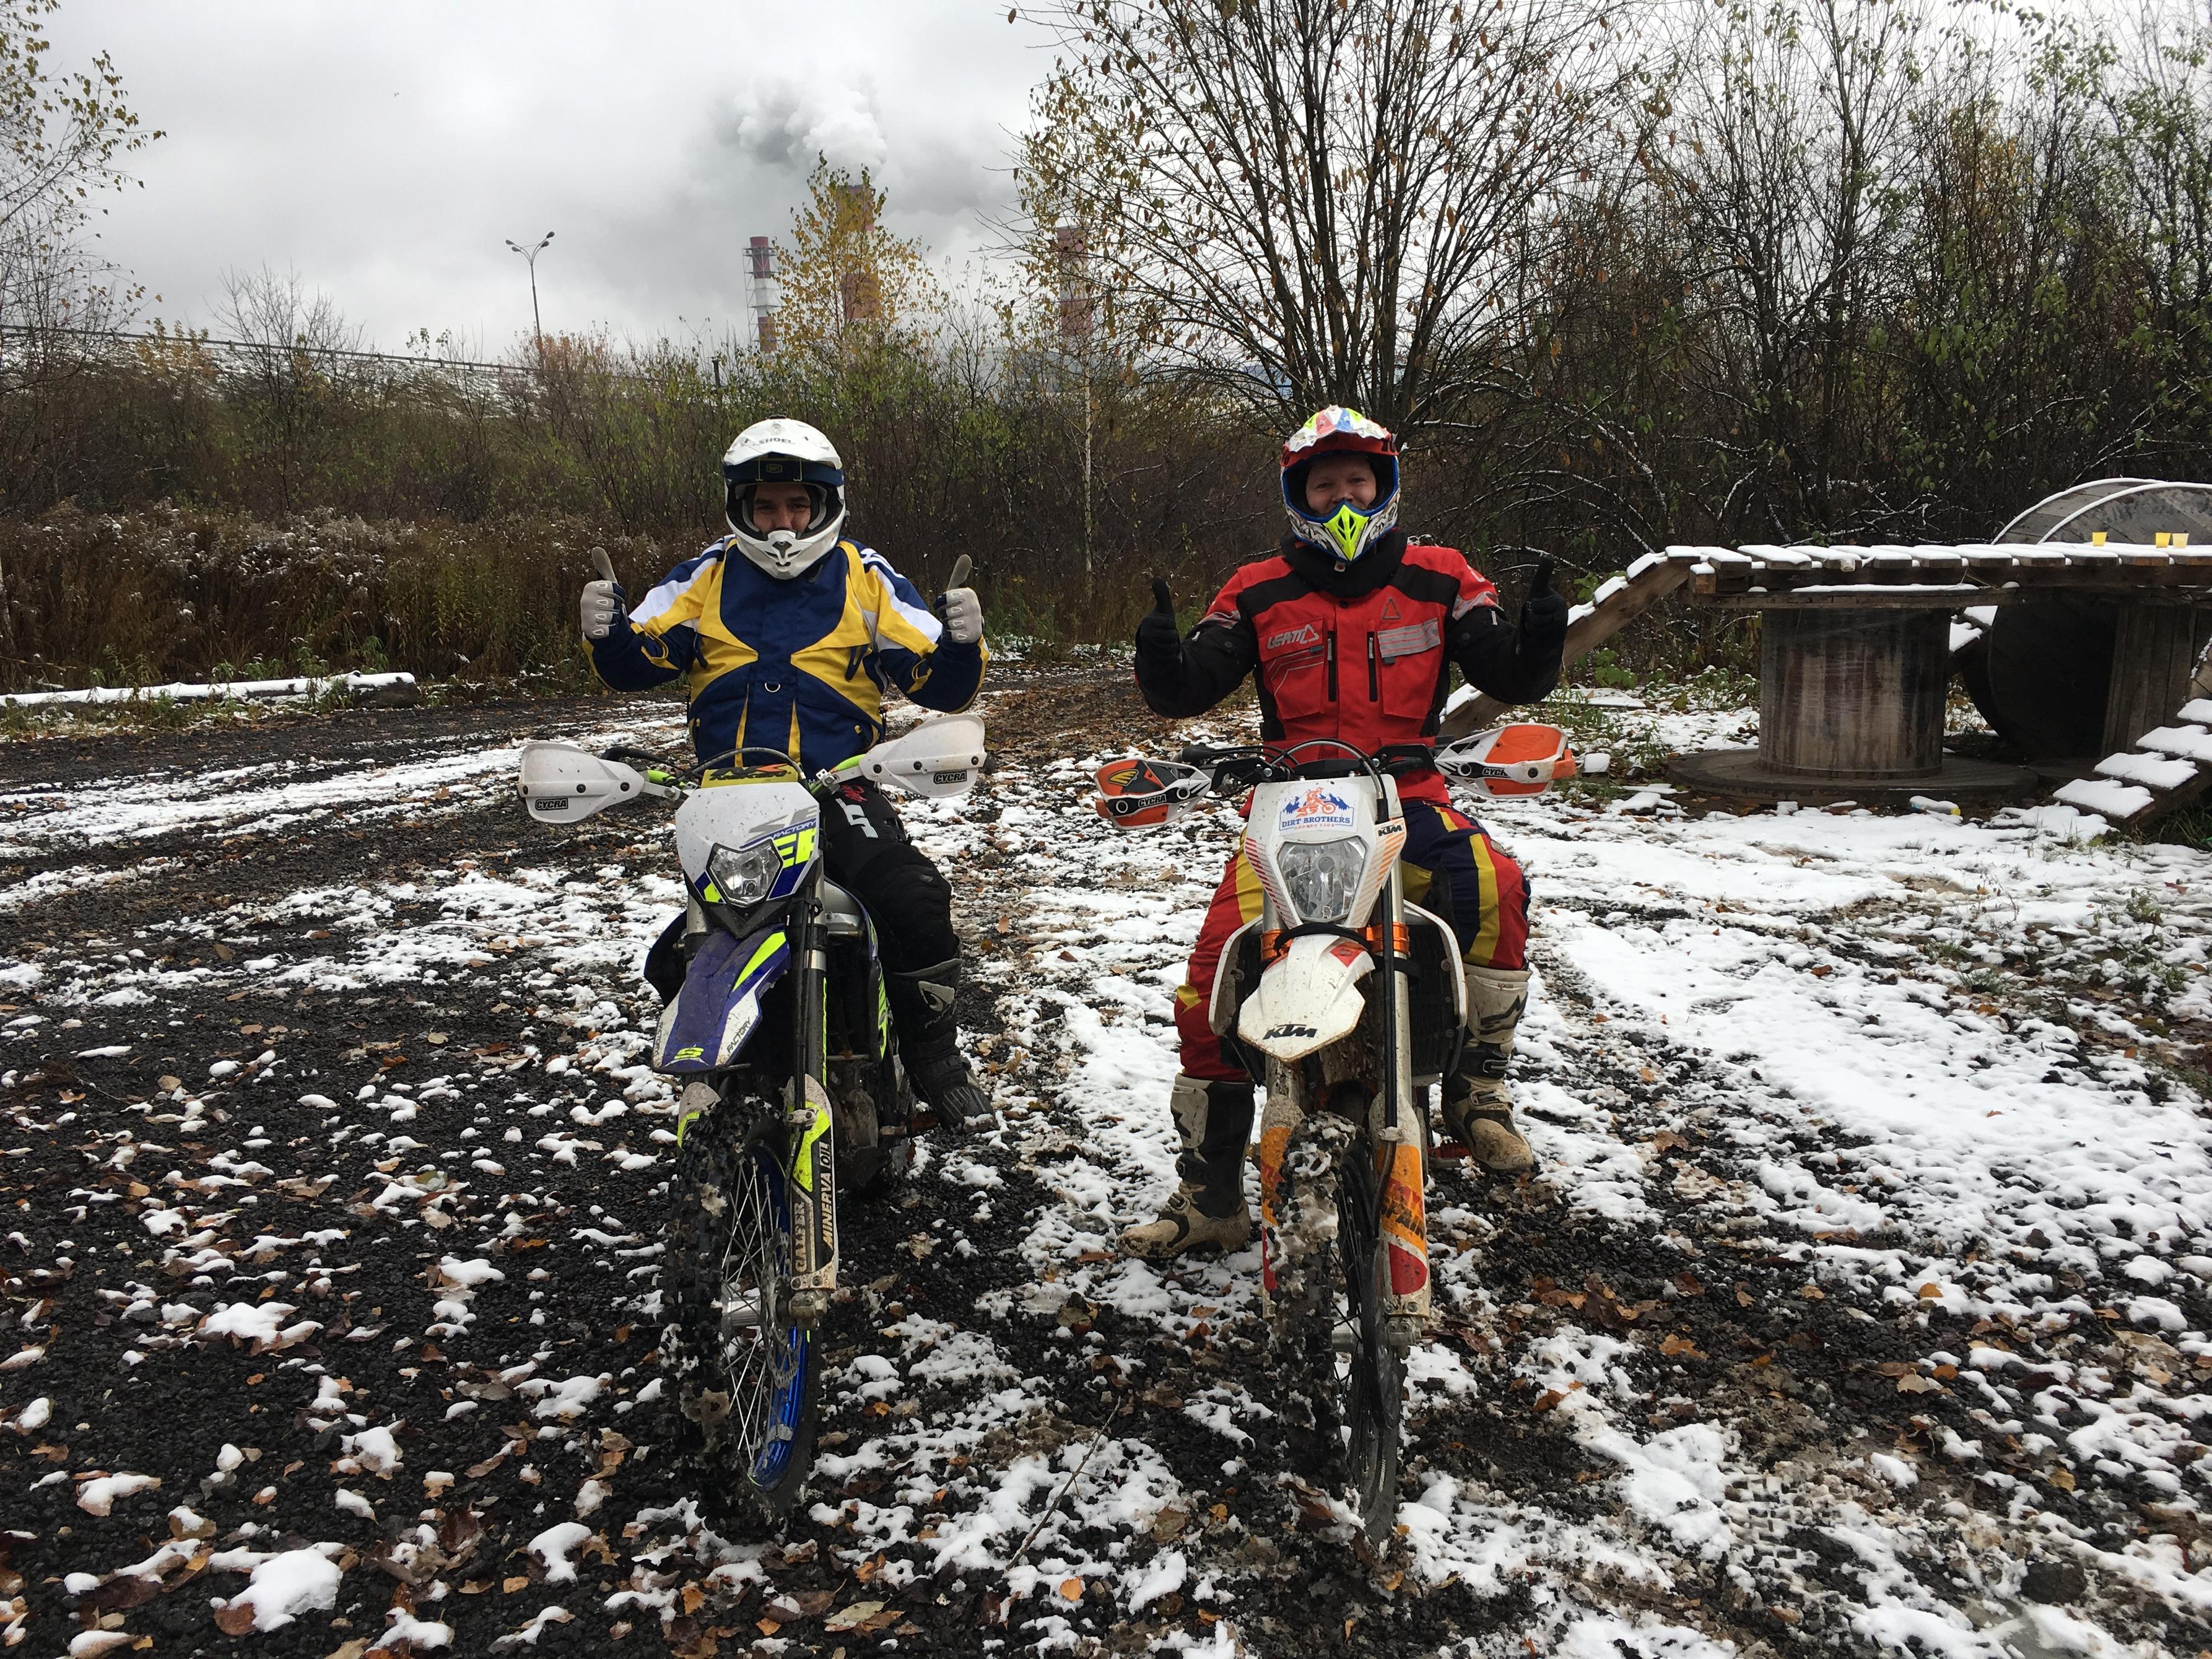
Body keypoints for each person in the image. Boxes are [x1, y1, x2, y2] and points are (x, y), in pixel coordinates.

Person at [1121, 406, 1568, 1259]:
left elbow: (1509, 673)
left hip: (1409, 794)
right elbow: (1190, 689)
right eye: (1323, 484)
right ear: (1297, 494)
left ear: (1384, 483)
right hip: (1289, 804)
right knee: (1217, 966)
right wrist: (1161, 658)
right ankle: (1211, 1194)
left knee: (1495, 883)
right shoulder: (1255, 587)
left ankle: (1477, 1092)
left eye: (1357, 480)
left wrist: (1540, 639)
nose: (1342, 497)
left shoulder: (1442, 576)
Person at [580, 416, 991, 1127]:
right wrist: (607, 631)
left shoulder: (865, 575)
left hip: (839, 786)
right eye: (766, 506)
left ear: (823, 505)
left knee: (913, 898)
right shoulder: (704, 576)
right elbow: (637, 663)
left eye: (797, 505)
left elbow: (939, 685)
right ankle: (720, 1068)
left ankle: (935, 1056)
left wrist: (961, 644)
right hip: (731, 797)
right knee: (681, 950)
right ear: (740, 508)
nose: (782, 522)